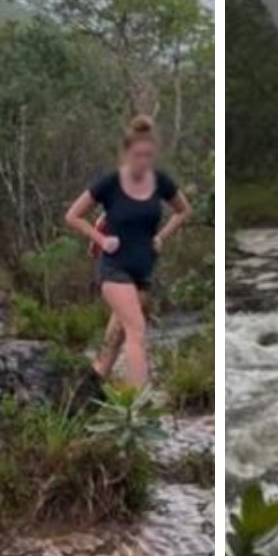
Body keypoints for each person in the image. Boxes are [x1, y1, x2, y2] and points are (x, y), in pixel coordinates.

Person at [62, 115, 192, 388]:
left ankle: (93, 384)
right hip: (114, 267)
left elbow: (184, 210)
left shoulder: (160, 182)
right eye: (137, 155)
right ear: (126, 153)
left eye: (148, 155)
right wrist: (100, 238)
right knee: (137, 330)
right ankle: (138, 401)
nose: (142, 161)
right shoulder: (109, 183)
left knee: (119, 333)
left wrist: (161, 236)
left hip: (143, 268)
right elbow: (72, 216)